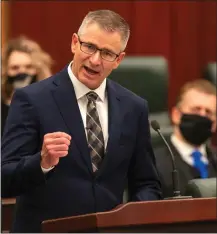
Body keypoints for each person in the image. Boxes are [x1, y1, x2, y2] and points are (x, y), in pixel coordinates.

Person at [1, 10, 161, 233]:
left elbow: (146, 183)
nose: (95, 60)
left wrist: (134, 219)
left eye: (107, 53)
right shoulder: (32, 99)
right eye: (90, 47)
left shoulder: (133, 107)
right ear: (74, 43)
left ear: (118, 60)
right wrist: (42, 162)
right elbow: (4, 178)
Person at [154, 79, 217, 198]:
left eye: (208, 112)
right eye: (196, 110)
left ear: (214, 123)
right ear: (176, 115)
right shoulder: (153, 163)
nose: (202, 116)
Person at [1, 36, 54, 135]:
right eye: (15, 68)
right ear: (5, 72)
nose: (22, 72)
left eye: (29, 67)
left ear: (38, 70)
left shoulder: (51, 105)